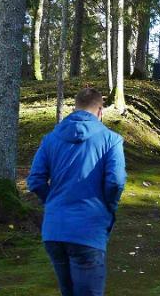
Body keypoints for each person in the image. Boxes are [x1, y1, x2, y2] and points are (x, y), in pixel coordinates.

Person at [27, 88, 126, 296]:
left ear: (75, 108)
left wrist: (53, 202)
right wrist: (108, 207)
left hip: (54, 230)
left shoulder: (51, 138)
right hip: (88, 229)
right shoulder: (111, 140)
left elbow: (35, 180)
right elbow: (115, 182)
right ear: (100, 110)